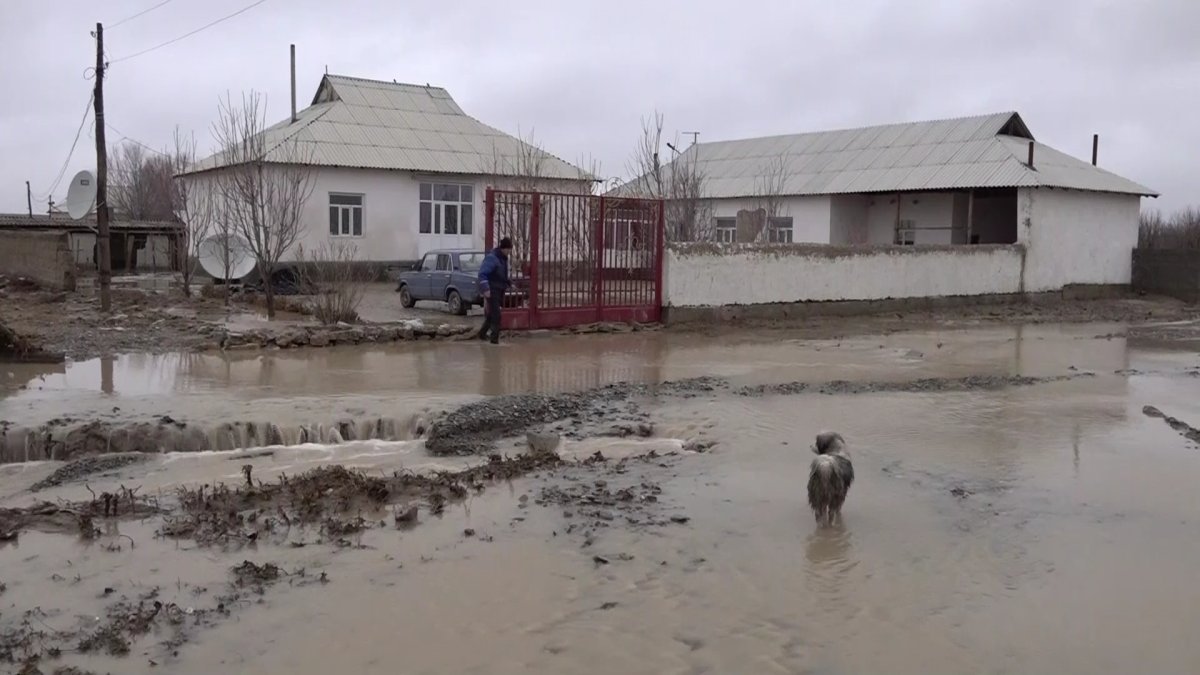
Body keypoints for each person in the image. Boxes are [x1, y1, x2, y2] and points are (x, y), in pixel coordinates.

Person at [476, 237, 512, 344]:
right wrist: (486, 289)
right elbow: (482, 274)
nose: (509, 252)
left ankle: (482, 333)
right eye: (508, 249)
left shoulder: (503, 259)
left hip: (499, 289)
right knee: (497, 314)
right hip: (492, 290)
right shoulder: (492, 258)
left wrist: (509, 283)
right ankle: (494, 339)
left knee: (492, 313)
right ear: (503, 248)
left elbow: (502, 275)